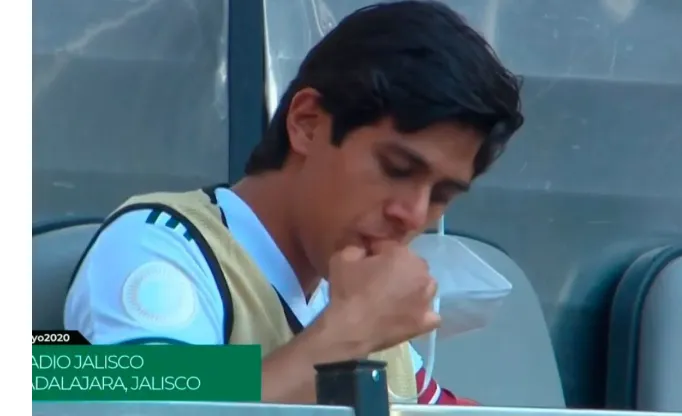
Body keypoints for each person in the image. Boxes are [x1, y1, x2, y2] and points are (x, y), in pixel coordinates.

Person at [64, 0, 523, 406]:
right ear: (306, 123)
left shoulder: (352, 296)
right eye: (396, 169)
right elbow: (153, 402)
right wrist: (351, 332)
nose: (414, 215)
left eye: (442, 195)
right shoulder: (156, 244)